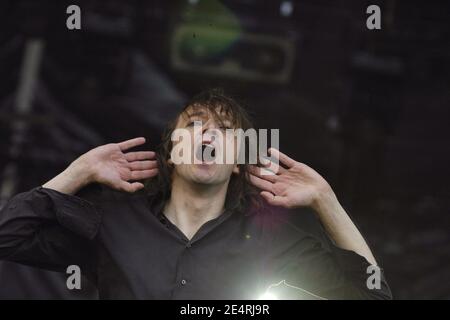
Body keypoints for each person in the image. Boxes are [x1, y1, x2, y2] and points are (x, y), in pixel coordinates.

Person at [0, 89, 391, 299]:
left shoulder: (272, 243)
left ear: (238, 160)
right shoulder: (113, 223)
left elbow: (372, 296)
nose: (207, 135)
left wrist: (326, 199)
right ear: (171, 151)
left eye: (223, 129)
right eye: (195, 125)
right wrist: (78, 172)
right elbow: (8, 235)